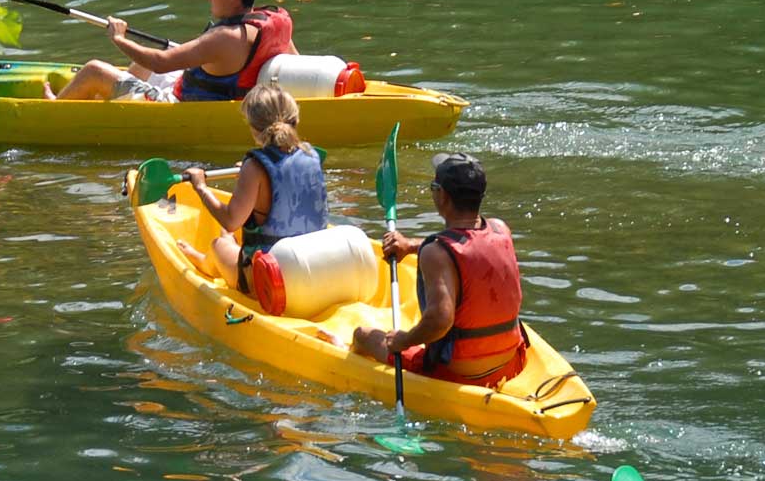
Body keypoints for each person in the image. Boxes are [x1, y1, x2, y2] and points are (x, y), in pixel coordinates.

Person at [350, 154, 530, 387]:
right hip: (511, 361)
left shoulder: (435, 253)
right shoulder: (500, 228)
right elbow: (469, 245)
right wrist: (412, 245)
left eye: (434, 186)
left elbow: (440, 321)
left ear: (442, 196)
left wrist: (403, 340)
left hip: (459, 373)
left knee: (362, 335)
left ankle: (343, 352)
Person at [50, 0, 296, 103]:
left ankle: (55, 112)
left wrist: (118, 38)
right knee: (150, 54)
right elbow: (295, 61)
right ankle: (111, 100)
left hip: (177, 103)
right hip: (208, 89)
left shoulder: (224, 38)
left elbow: (159, 63)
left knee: (94, 69)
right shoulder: (276, 21)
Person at [175, 84, 328, 295]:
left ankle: (205, 261)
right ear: (295, 119)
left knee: (220, 240)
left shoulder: (255, 167)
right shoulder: (312, 154)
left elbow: (231, 220)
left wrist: (200, 186)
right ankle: (227, 251)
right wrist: (250, 175)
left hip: (269, 282)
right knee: (230, 234)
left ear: (254, 128)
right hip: (318, 267)